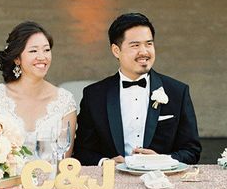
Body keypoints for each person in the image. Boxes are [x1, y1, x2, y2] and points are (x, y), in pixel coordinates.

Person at [73, 13, 201, 165]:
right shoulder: (94, 95)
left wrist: (162, 160)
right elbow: (82, 150)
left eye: (149, 44)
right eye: (135, 45)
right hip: (113, 183)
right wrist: (106, 163)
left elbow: (192, 150)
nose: (144, 52)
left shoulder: (178, 92)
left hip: (162, 183)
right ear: (116, 50)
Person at [0, 21, 77, 154]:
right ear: (17, 59)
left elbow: (65, 158)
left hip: (53, 174)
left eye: (46, 50)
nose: (42, 57)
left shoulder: (65, 100)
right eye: (33, 50)